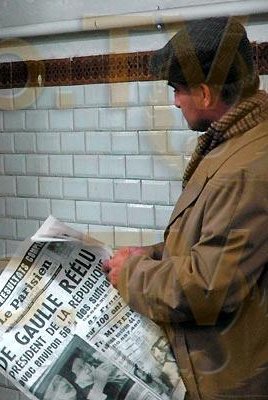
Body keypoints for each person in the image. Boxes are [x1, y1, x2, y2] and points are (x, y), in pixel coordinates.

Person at [103, 17, 268, 399]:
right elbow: (218, 242)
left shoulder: (246, 167)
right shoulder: (237, 144)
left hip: (233, 384)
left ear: (205, 94)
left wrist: (133, 275)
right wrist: (152, 255)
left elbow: (210, 286)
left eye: (178, 90)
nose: (176, 101)